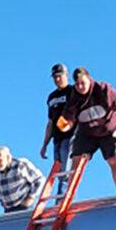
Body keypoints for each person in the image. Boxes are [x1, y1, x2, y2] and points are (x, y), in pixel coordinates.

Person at [57, 67, 116, 194]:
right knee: (78, 159)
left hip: (110, 129)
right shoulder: (74, 97)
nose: (81, 87)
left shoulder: (102, 89)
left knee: (114, 158)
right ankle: (69, 194)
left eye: (83, 83)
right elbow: (69, 119)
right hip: (87, 132)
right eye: (77, 84)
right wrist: (65, 125)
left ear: (89, 80)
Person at [41, 63, 75, 195]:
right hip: (57, 137)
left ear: (66, 75)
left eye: (60, 76)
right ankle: (60, 199)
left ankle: (60, 201)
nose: (57, 79)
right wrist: (44, 144)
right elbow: (50, 122)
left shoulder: (73, 91)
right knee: (58, 168)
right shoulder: (51, 97)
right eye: (55, 77)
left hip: (70, 134)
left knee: (65, 171)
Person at [0, 147, 45, 213]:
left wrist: (31, 198)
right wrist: (2, 202)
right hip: (8, 209)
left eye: (0, 160)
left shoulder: (20, 164)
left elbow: (39, 179)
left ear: (8, 158)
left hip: (25, 206)